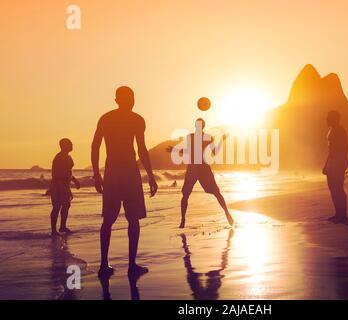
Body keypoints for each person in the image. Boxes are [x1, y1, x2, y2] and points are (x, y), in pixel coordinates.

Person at [91, 86, 158, 276]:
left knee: (110, 220)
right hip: (128, 172)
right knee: (132, 219)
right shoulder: (135, 119)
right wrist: (151, 176)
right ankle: (130, 265)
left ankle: (105, 265)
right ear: (122, 100)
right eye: (131, 97)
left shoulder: (107, 118)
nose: (133, 100)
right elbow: (142, 150)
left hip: (113, 172)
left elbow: (95, 146)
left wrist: (97, 174)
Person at [167, 118, 234, 228]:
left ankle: (227, 213)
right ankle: (183, 219)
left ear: (203, 126)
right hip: (193, 168)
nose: (197, 126)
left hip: (203, 168)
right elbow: (187, 150)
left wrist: (222, 140)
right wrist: (175, 150)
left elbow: (214, 152)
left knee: (216, 192)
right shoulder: (190, 137)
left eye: (199, 125)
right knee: (185, 195)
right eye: (196, 125)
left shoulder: (208, 138)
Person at [49, 138, 80, 236]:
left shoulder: (68, 157)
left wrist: (74, 180)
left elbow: (68, 172)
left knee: (66, 205)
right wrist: (60, 186)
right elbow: (56, 173)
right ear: (64, 146)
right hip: (58, 184)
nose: (72, 145)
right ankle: (54, 230)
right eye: (70, 144)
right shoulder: (59, 157)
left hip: (65, 184)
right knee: (57, 206)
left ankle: (63, 226)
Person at [323, 111, 348, 223]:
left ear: (334, 119)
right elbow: (331, 150)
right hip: (332, 161)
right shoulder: (332, 130)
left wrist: (343, 162)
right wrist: (326, 164)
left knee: (338, 188)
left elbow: (344, 147)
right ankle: (338, 213)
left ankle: (343, 215)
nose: (326, 119)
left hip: (338, 162)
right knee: (332, 188)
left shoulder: (340, 130)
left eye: (328, 117)